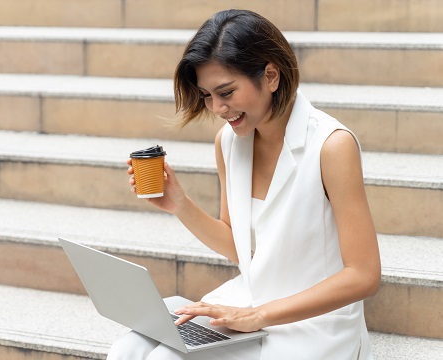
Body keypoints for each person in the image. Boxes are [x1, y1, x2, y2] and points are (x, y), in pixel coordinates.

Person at [108, 9, 381, 360]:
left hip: (313, 322)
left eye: (226, 92)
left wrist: (257, 316)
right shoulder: (229, 141)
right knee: (127, 348)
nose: (217, 108)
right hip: (247, 301)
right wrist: (180, 204)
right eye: (207, 95)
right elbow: (243, 251)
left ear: (270, 75)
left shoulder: (331, 145)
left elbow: (364, 275)